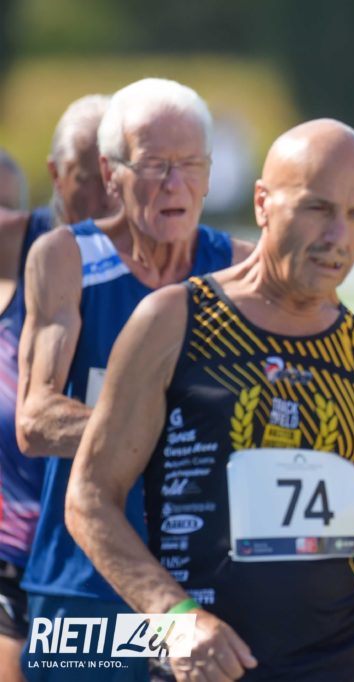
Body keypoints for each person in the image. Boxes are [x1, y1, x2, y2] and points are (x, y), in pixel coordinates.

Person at [66, 118, 354, 682]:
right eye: (317, 208)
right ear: (263, 203)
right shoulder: (174, 322)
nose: (339, 236)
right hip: (212, 664)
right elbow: (90, 497)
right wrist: (174, 617)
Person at [16, 78, 249, 680]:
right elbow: (35, 419)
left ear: (209, 172)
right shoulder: (66, 257)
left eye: (190, 164)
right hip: (84, 585)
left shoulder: (242, 267)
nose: (174, 184)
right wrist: (168, 430)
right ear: (110, 172)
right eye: (153, 165)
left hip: (213, 584)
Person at [0, 95, 115, 682]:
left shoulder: (174, 261)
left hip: (116, 561)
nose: (103, 199)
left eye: (112, 178)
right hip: (18, 559)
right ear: (55, 174)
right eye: (85, 177)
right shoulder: (28, 243)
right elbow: (33, 422)